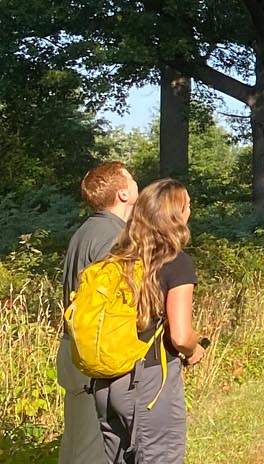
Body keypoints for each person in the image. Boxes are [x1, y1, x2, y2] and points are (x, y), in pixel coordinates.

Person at [90, 179, 205, 464]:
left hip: (106, 383)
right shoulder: (175, 262)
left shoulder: (116, 258)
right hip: (148, 382)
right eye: (187, 205)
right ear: (176, 215)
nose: (190, 210)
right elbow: (180, 335)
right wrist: (195, 349)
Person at [56, 162, 139, 464]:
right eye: (131, 179)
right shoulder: (112, 237)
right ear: (122, 193)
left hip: (79, 350)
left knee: (81, 444)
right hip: (94, 356)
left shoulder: (89, 229)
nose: (136, 183)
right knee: (90, 451)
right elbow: (116, 306)